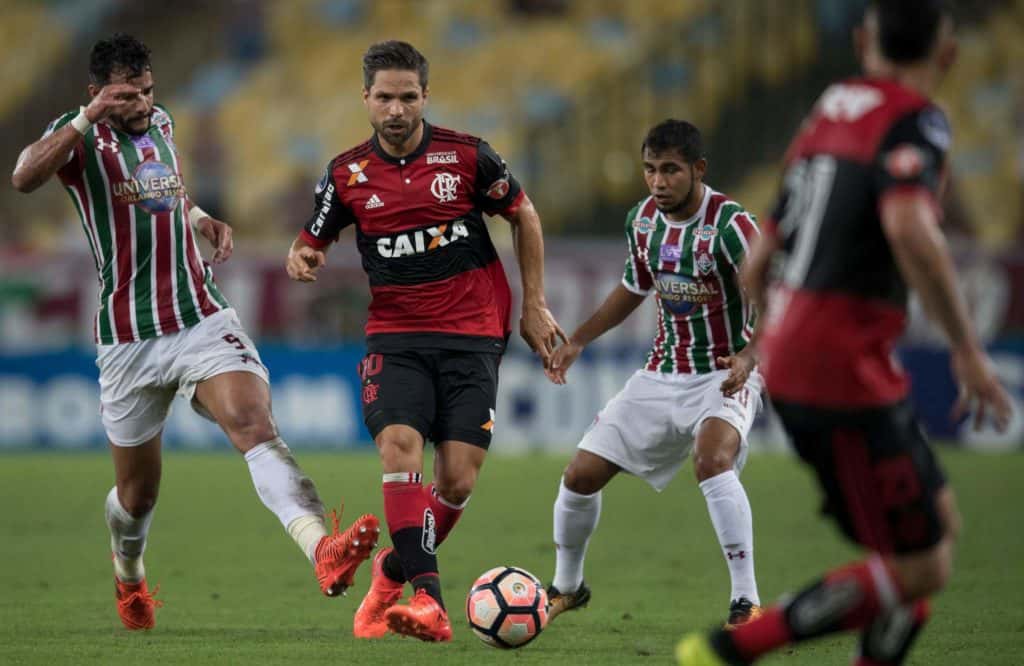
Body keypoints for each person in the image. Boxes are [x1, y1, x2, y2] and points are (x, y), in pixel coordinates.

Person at [676, 2, 1013, 664]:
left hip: (807, 353)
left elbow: (759, 260)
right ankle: (726, 649)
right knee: (923, 566)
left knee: (933, 535)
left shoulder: (830, 109)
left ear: (863, 41)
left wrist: (768, 339)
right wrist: (969, 351)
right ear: (947, 54)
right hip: (840, 363)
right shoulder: (915, 119)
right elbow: (911, 228)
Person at [10, 33, 379, 631]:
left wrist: (201, 217)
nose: (143, 105)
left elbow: (163, 193)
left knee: (252, 422)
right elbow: (23, 177)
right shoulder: (80, 137)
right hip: (128, 337)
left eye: (149, 92)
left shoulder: (163, 123)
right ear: (98, 93)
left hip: (199, 317)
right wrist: (87, 117)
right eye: (128, 96)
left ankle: (321, 549)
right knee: (137, 498)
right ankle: (128, 575)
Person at [285, 40, 565, 642]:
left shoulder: (469, 158)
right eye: (383, 97)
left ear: (425, 97)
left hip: (473, 332)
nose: (395, 110)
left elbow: (525, 216)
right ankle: (429, 600)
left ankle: (391, 570)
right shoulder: (346, 173)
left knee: (457, 480)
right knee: (398, 444)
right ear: (365, 98)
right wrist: (303, 255)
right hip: (396, 334)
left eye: (407, 97)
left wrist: (535, 305)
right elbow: (313, 238)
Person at [543, 119, 765, 629]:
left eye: (670, 170)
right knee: (579, 476)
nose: (658, 182)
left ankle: (746, 600)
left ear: (698, 169)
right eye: (650, 170)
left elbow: (773, 297)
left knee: (712, 461)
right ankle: (567, 588)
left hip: (725, 371)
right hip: (661, 373)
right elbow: (631, 289)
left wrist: (750, 357)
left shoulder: (731, 225)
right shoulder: (642, 220)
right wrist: (578, 339)